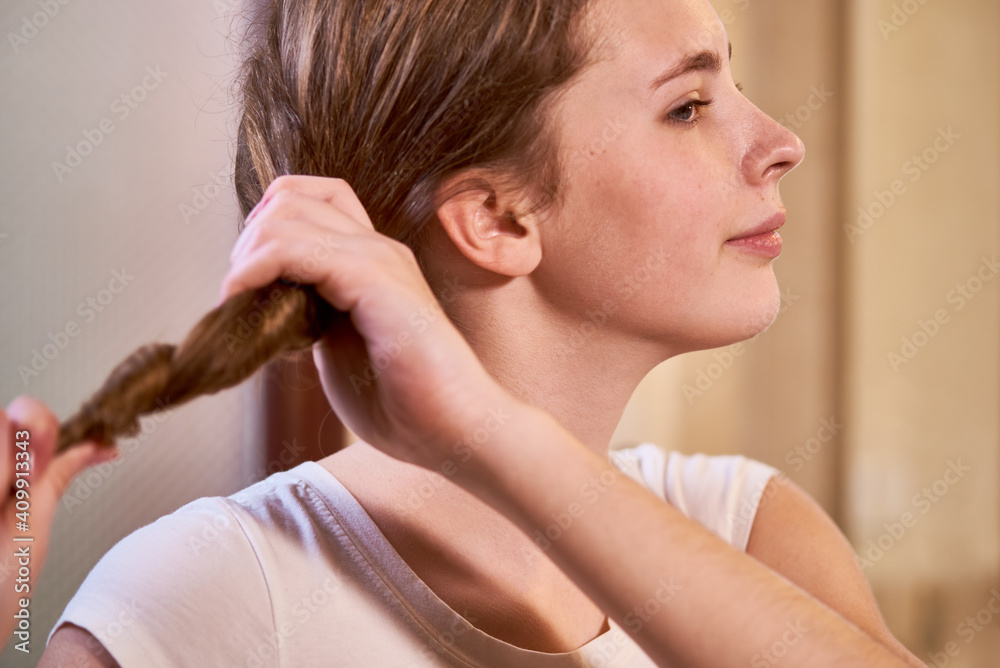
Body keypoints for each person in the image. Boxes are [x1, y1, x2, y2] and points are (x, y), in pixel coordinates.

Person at [28, 0, 927, 665]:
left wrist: (491, 438)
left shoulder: (749, 530)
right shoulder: (203, 601)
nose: (780, 142)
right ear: (496, 220)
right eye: (687, 105)